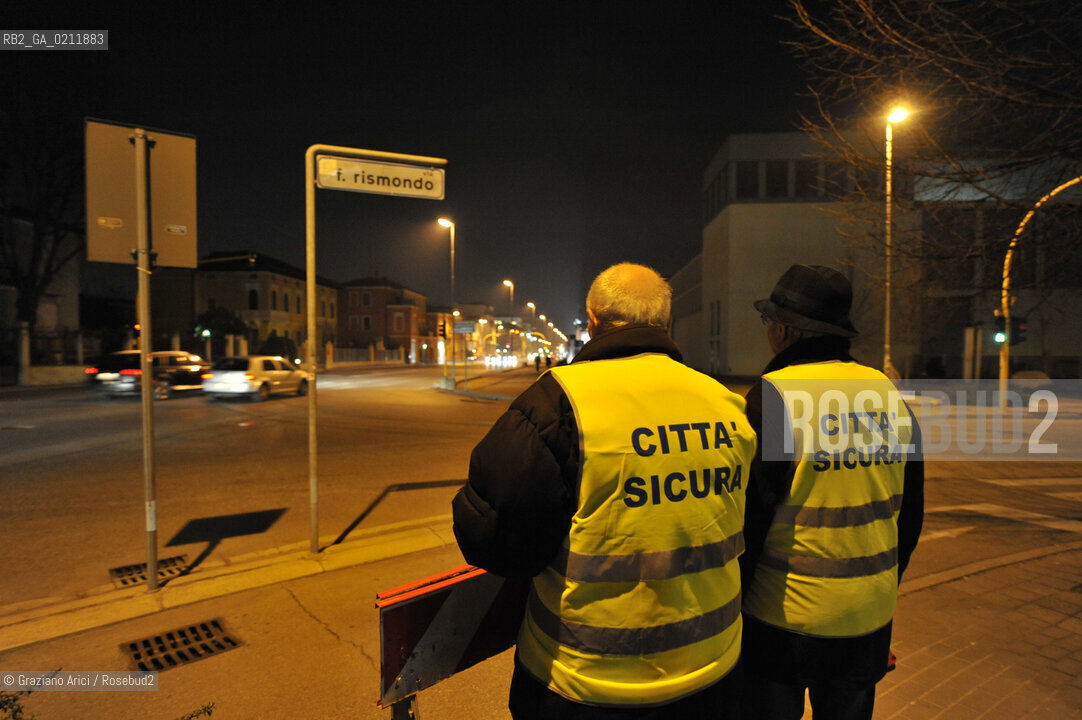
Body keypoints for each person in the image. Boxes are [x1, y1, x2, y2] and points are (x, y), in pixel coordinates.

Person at [453, 262, 757, 720]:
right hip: (712, 671)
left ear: (592, 322)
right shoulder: (728, 405)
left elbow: (494, 540)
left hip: (585, 681)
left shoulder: (555, 403)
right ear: (667, 324)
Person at [740, 264, 924, 720]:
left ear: (782, 331)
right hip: (866, 622)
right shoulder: (889, 395)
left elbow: (747, 523)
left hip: (781, 623)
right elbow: (910, 516)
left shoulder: (773, 398)